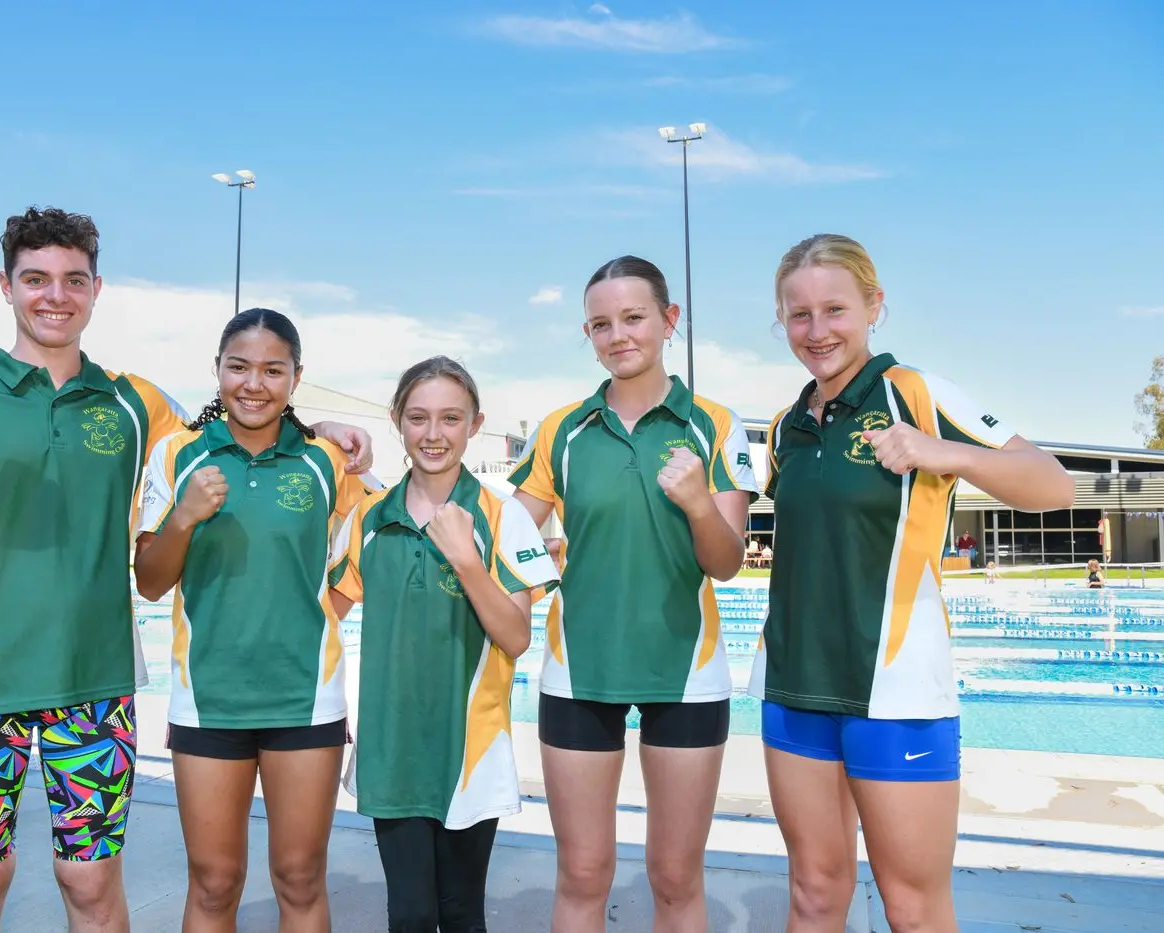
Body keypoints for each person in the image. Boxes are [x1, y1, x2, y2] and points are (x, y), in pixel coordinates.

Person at [0, 209, 373, 933]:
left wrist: (316, 428)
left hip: (96, 686)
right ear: (5, 285)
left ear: (96, 289)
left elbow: (235, 422)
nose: (55, 295)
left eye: (74, 280)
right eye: (36, 278)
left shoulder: (135, 402)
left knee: (91, 886)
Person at [749, 234, 1073, 933]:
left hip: (896, 691)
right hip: (793, 688)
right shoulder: (784, 429)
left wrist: (943, 451)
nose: (816, 330)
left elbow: (1053, 483)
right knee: (811, 892)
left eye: (834, 309)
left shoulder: (917, 395)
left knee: (914, 909)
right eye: (798, 315)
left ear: (874, 306)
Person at [509, 256, 759, 933]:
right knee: (583, 873)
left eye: (633, 317)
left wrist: (699, 503)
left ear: (669, 320)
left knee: (675, 877)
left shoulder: (716, 424)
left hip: (687, 673)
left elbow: (728, 560)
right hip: (578, 669)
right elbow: (504, 533)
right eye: (600, 324)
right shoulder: (562, 428)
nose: (617, 335)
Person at [134, 308, 380, 933]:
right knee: (215, 883)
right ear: (216, 370)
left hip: (305, 700)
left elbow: (362, 549)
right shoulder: (176, 455)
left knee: (299, 878)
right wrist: (184, 518)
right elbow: (150, 581)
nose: (254, 384)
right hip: (208, 700)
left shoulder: (326, 461)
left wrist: (316, 616)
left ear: (297, 378)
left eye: (274, 370)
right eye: (238, 367)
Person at [328, 357, 560, 932]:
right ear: (397, 422)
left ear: (475, 423)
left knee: (461, 914)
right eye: (419, 418)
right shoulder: (367, 519)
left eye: (450, 418)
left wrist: (467, 560)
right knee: (407, 914)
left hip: (470, 751)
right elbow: (322, 619)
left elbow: (515, 637)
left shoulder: (501, 517)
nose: (434, 434)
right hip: (393, 748)